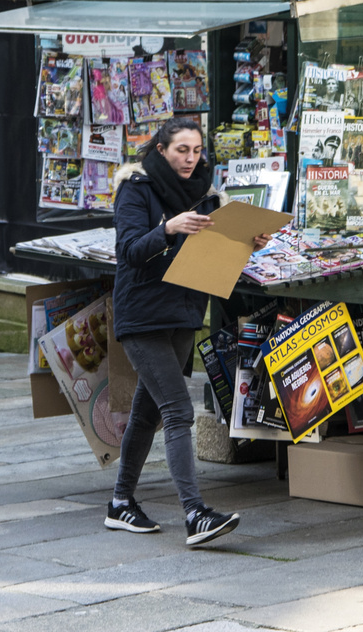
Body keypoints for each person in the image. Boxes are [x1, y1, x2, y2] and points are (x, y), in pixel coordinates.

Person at [105, 118, 268, 547]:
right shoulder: (136, 188)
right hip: (142, 315)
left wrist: (250, 239)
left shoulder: (208, 194)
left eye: (196, 151)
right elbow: (128, 251)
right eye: (181, 150)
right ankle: (195, 513)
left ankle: (120, 503)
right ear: (161, 150)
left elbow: (216, 249)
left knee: (148, 412)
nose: (190, 159)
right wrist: (168, 229)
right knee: (178, 410)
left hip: (183, 311)